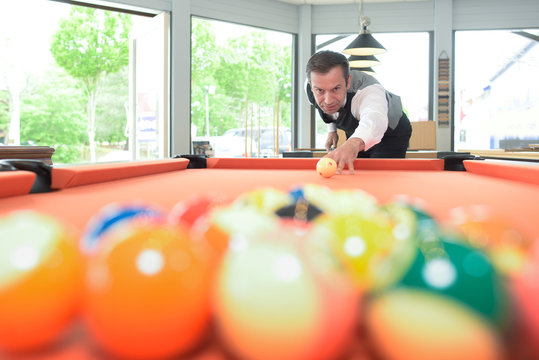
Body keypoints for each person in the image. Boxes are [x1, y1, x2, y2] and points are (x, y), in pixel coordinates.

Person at [305, 50, 412, 174]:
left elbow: (374, 119)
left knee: (379, 178)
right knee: (355, 173)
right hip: (356, 130)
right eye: (320, 90)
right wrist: (332, 131)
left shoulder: (368, 91)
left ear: (348, 81)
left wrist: (354, 142)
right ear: (311, 85)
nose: (328, 101)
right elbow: (325, 109)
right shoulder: (310, 86)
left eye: (336, 89)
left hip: (391, 133)